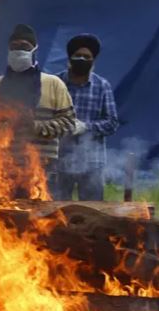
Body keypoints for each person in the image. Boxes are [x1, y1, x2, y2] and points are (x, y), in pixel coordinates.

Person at [0, 24, 75, 199]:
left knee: (44, 221)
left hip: (44, 171)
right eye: (14, 47)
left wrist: (35, 126)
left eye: (24, 47)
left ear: (34, 50)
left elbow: (68, 123)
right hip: (4, 170)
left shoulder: (53, 84)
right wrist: (7, 127)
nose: (19, 51)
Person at [55, 34, 119, 201]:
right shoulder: (56, 83)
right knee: (55, 213)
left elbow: (112, 123)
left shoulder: (102, 86)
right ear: (69, 58)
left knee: (92, 213)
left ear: (93, 60)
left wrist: (86, 127)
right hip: (59, 161)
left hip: (92, 162)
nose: (82, 59)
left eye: (87, 57)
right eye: (78, 56)